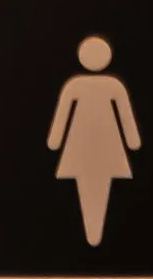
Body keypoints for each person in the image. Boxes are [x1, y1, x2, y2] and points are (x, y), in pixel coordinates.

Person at [47, 34, 141, 247]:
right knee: (94, 188)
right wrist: (132, 141)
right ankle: (93, 237)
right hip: (103, 147)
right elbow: (126, 118)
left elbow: (62, 117)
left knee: (93, 188)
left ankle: (94, 237)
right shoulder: (110, 85)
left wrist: (55, 141)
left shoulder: (78, 85)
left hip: (84, 146)